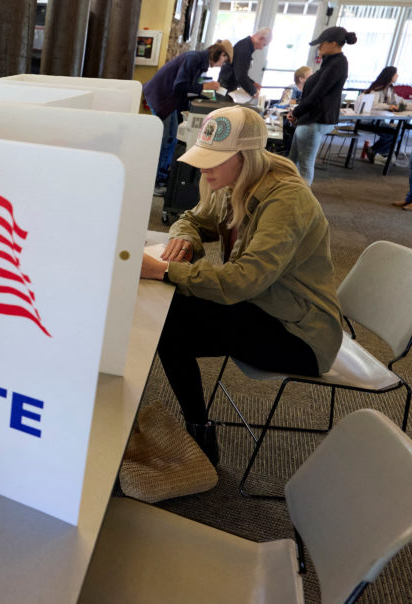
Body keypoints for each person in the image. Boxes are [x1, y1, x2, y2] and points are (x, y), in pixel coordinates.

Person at [140, 106, 343, 465]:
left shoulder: (286, 199)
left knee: (170, 320)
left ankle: (198, 431)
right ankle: (198, 428)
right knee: (168, 320)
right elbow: (191, 219)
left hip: (301, 334)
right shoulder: (234, 181)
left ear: (245, 157)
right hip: (263, 306)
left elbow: (242, 281)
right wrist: (186, 240)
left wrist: (163, 271)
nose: (204, 168)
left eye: (214, 160)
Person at [143, 40, 234, 197]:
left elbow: (187, 87)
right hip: (161, 98)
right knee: (167, 140)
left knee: (170, 138)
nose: (222, 64)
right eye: (224, 60)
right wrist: (204, 88)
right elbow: (180, 86)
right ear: (221, 54)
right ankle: (156, 182)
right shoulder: (194, 59)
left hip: (165, 98)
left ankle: (161, 177)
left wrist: (203, 95)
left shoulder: (199, 61)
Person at [287, 26, 358, 185]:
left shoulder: (337, 64)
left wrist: (296, 112)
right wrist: (298, 113)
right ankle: (292, 199)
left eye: (322, 43)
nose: (319, 47)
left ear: (333, 43)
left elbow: (317, 94)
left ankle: (302, 204)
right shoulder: (332, 63)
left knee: (303, 167)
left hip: (315, 120)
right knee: (293, 164)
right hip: (311, 119)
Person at [362, 66, 406, 163]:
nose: (397, 75)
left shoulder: (389, 89)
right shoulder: (377, 89)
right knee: (394, 135)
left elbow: (399, 100)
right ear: (390, 76)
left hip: (378, 120)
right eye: (396, 74)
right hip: (369, 121)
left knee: (396, 134)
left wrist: (405, 105)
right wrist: (388, 107)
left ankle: (374, 151)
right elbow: (373, 105)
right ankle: (376, 152)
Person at [219, 28, 273, 101]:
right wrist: (253, 91)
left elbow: (240, 71)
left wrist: (252, 83)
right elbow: (241, 76)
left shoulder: (245, 45)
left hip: (227, 85)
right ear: (261, 38)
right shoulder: (244, 49)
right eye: (264, 45)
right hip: (225, 87)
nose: (261, 48)